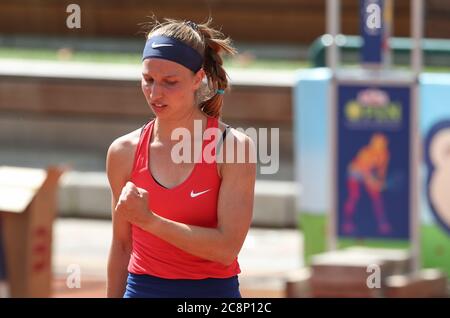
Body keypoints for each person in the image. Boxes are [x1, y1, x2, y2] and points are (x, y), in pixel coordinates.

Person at [106, 18, 256, 298]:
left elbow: (226, 250)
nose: (155, 93)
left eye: (169, 82)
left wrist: (150, 221)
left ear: (198, 78)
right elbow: (122, 246)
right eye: (148, 80)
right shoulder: (122, 152)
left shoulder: (233, 148)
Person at [343, 133, 391, 234]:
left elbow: (382, 172)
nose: (379, 145)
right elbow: (364, 172)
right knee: (354, 196)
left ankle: (382, 224)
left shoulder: (385, 154)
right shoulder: (365, 152)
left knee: (377, 199)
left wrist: (381, 182)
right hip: (355, 173)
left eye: (382, 143)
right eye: (377, 142)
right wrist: (373, 183)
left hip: (371, 176)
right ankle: (347, 222)